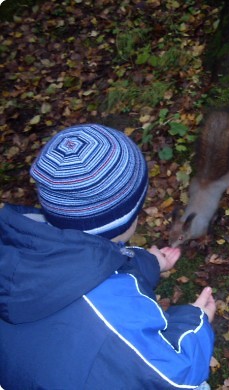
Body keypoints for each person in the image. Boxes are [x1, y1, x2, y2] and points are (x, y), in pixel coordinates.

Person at [0, 124, 216, 389]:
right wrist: (195, 322)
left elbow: (93, 267)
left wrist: (147, 263)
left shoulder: (16, 248)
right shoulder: (115, 319)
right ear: (128, 216)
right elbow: (175, 377)